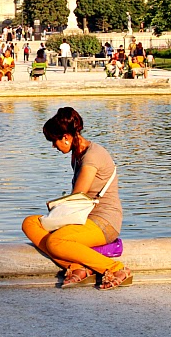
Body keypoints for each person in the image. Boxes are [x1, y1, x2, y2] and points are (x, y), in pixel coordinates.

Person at [22, 107, 131, 290]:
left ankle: (115, 268)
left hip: (104, 222)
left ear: (66, 137)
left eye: (54, 141)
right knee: (29, 223)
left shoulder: (91, 157)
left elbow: (77, 198)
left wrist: (56, 210)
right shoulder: (78, 155)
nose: (53, 146)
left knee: (55, 241)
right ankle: (77, 267)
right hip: (84, 219)